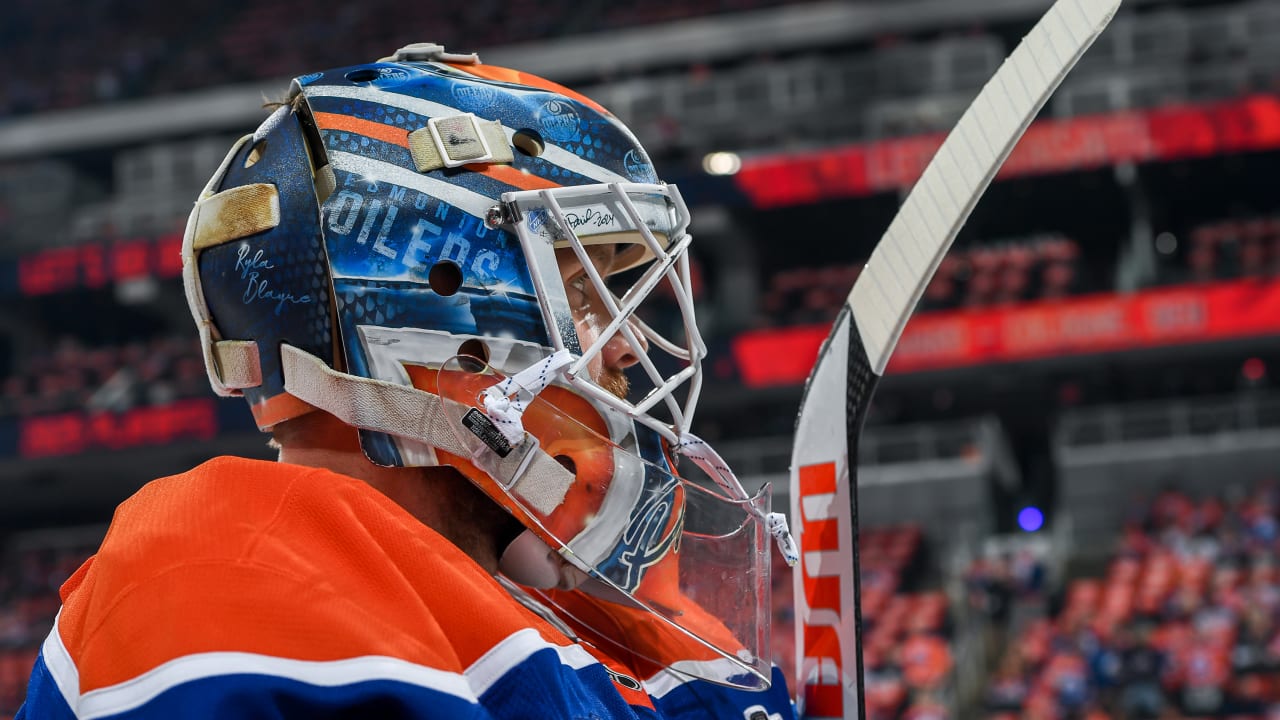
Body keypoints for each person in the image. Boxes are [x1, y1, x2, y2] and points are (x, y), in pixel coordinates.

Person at [17, 43, 797, 719]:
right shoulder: (227, 587)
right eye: (581, 295)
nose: (626, 348)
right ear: (432, 309)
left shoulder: (574, 611)